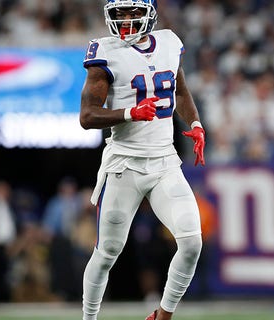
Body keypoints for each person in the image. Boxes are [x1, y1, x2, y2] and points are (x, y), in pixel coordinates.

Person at [79, 1, 206, 319]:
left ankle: (163, 315)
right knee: (107, 252)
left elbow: (179, 91)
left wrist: (195, 124)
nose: (125, 19)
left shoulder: (168, 42)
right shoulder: (104, 52)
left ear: (149, 12)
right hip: (125, 165)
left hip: (164, 162)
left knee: (191, 242)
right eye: (120, 12)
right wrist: (128, 112)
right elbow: (87, 116)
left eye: (132, 12)